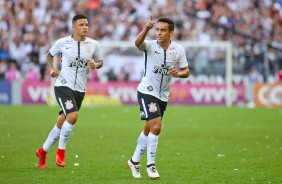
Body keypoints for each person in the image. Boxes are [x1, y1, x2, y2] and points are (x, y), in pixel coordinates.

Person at [35, 14, 103, 169]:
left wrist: (95, 64)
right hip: (63, 85)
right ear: (74, 27)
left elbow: (100, 62)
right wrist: (52, 68)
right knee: (72, 116)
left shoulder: (93, 45)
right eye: (81, 25)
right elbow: (49, 55)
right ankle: (61, 152)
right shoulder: (62, 42)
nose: (85, 27)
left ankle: (42, 151)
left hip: (80, 89)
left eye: (86, 24)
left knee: (61, 121)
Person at [127, 17, 189, 179]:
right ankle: (151, 164)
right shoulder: (150, 45)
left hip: (163, 95)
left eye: (163, 30)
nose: (159, 33)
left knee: (148, 129)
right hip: (147, 91)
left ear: (171, 32)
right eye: (158, 30)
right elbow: (137, 43)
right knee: (157, 126)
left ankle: (134, 161)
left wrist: (179, 74)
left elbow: (186, 71)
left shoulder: (178, 50)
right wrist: (146, 29)